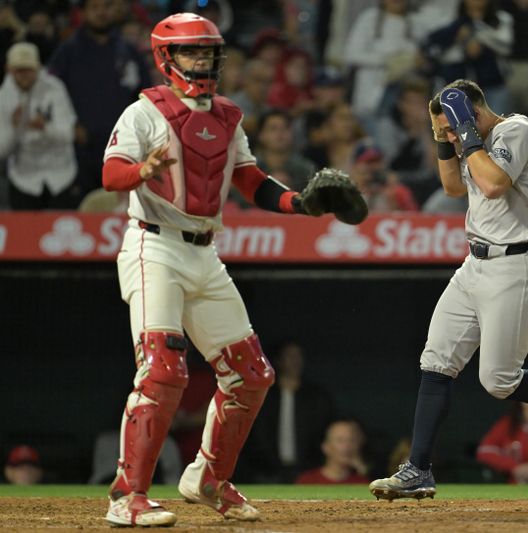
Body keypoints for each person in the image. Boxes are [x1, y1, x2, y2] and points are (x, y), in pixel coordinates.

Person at [100, 13, 363, 527]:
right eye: (192, 52)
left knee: (252, 374)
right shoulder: (143, 112)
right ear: (166, 58)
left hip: (204, 251)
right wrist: (142, 171)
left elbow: (249, 179)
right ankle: (125, 496)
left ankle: (208, 478)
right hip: (153, 248)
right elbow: (111, 173)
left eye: (209, 52)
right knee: (162, 371)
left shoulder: (227, 116)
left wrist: (299, 204)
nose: (203, 61)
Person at [368, 79, 528, 501]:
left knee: (498, 380)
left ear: (474, 113)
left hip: (516, 265)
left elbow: (495, 182)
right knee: (435, 362)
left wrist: (464, 131)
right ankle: (419, 469)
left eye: (454, 127)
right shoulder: (470, 141)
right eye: (444, 131)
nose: (451, 136)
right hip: (474, 266)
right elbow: (452, 186)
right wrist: (445, 137)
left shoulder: (515, 130)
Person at [49, 0, 150, 197]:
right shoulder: (68, 51)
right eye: (94, 8)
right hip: (82, 147)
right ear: (83, 13)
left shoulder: (128, 51)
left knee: (122, 206)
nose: (101, 12)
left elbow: (144, 94)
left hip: (122, 144)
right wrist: (71, 123)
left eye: (106, 6)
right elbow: (52, 91)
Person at [0, 42, 80, 209]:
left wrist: (45, 128)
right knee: (24, 233)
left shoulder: (55, 89)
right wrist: (14, 128)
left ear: (37, 68)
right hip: (24, 179)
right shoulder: (4, 97)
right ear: (9, 69)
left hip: (61, 175)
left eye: (28, 69)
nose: (24, 75)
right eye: (18, 70)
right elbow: (2, 151)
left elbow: (68, 135)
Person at [243, 340, 336, 483]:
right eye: (290, 356)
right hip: (266, 472)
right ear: (278, 360)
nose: (295, 361)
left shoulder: (317, 397)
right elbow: (254, 433)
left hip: (308, 470)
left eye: (299, 356)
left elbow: (325, 431)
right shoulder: (263, 396)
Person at [295, 419, 370, 485]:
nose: (347, 446)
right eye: (340, 440)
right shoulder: (307, 481)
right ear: (325, 447)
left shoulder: (362, 482)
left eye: (352, 440)